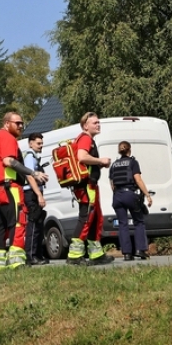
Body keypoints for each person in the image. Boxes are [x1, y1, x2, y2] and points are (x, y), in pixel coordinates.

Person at [0, 112, 43, 271]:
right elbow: (9, 161)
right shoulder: (7, 137)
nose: (21, 126)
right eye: (17, 123)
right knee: (18, 220)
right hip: (9, 185)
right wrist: (33, 173)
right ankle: (17, 262)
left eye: (22, 123)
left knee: (0, 224)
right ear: (6, 123)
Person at [66, 112, 114, 266]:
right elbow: (82, 157)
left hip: (91, 185)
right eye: (95, 123)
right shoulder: (85, 138)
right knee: (86, 218)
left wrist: (98, 164)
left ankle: (96, 254)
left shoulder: (87, 139)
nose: (98, 125)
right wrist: (100, 160)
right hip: (86, 186)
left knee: (95, 220)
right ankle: (74, 256)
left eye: (99, 122)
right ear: (85, 126)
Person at [109, 140, 153, 261]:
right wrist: (147, 195)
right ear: (130, 149)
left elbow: (112, 184)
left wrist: (118, 194)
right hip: (130, 194)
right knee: (138, 221)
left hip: (117, 196)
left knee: (123, 224)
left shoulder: (114, 165)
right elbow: (138, 179)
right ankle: (140, 250)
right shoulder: (133, 162)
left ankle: (127, 254)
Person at [22, 133, 50, 265]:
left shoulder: (34, 157)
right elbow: (29, 176)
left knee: (38, 223)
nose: (41, 146)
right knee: (33, 225)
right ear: (30, 143)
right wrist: (39, 194)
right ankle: (31, 256)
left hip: (34, 192)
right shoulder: (29, 157)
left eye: (42, 143)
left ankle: (38, 255)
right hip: (31, 193)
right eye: (38, 143)